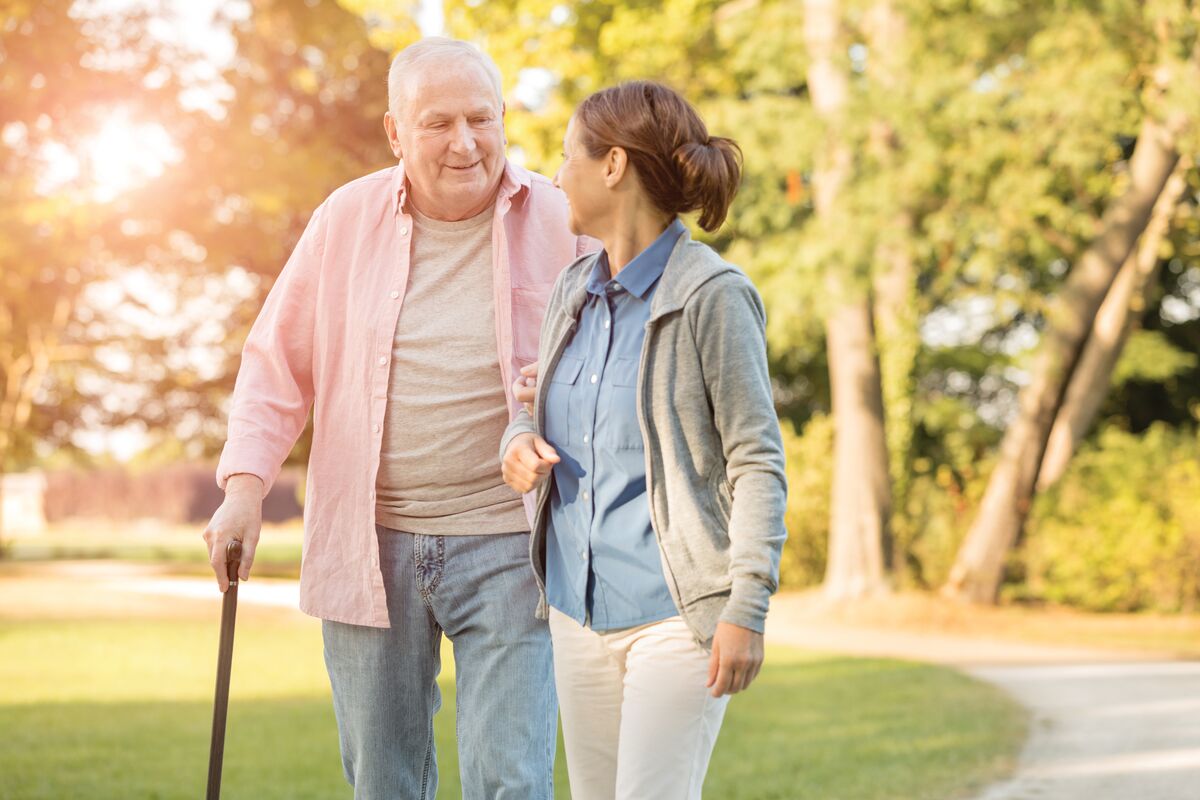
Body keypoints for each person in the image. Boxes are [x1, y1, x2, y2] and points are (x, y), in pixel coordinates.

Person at [203, 37, 589, 800]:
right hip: (368, 543)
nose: (465, 143)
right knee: (383, 783)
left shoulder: (561, 216)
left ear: (504, 116)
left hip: (513, 547)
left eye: (481, 118)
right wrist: (244, 488)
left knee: (509, 781)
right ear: (394, 132)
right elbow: (276, 363)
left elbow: (625, 354)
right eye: (437, 123)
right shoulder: (345, 220)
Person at [500, 81, 788, 800]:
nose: (557, 173)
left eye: (568, 155)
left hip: (676, 618)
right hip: (577, 610)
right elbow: (539, 407)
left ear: (613, 165)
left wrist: (746, 608)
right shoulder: (572, 291)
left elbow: (756, 461)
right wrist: (518, 440)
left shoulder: (712, 295)